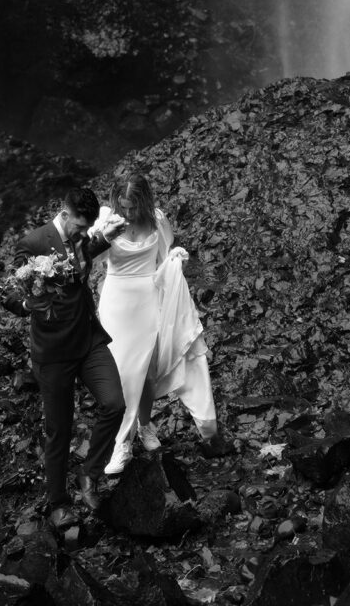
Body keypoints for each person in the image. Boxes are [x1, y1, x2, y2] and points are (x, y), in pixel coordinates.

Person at [2, 187, 126, 530]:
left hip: (87, 340)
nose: (82, 233)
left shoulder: (81, 235)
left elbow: (81, 254)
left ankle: (90, 474)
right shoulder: (33, 243)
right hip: (53, 353)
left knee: (115, 403)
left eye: (87, 228)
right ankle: (58, 503)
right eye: (79, 226)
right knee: (59, 431)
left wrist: (104, 238)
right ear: (64, 213)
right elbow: (8, 290)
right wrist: (26, 304)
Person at [90, 172, 223, 476]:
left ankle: (145, 425)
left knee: (148, 372)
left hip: (148, 302)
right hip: (118, 304)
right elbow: (92, 259)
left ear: (144, 202)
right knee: (124, 373)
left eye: (133, 207)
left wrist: (175, 259)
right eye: (123, 207)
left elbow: (162, 263)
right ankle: (121, 444)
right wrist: (104, 235)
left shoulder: (157, 221)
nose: (128, 213)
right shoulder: (107, 221)